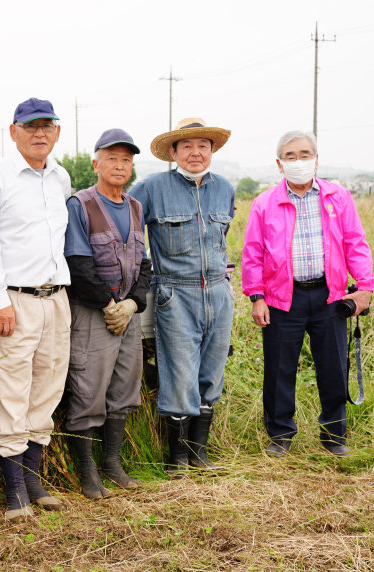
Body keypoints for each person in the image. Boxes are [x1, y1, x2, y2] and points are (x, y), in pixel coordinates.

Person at [241, 130, 374, 458]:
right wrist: (256, 296)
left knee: (332, 368)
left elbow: (355, 243)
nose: (298, 161)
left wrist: (364, 287)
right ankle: (280, 435)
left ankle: (334, 437)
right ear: (279, 164)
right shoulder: (265, 203)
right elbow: (253, 253)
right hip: (281, 300)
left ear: (316, 160)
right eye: (290, 156)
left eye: (305, 154)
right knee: (279, 369)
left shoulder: (338, 197)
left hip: (329, 298)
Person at [0, 98, 71, 522]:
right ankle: (14, 494)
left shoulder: (60, 178)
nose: (39, 133)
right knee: (9, 392)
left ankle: (33, 481)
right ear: (13, 132)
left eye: (47, 126)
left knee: (45, 390)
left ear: (57, 132)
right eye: (30, 126)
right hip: (13, 299)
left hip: (55, 299)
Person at [128, 117, 235, 475]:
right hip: (175, 293)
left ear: (212, 150)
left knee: (211, 373)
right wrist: (140, 275)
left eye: (202, 145)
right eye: (186, 146)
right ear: (173, 152)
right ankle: (176, 460)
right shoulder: (152, 187)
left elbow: (221, 239)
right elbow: (126, 229)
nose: (195, 152)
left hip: (219, 292)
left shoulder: (225, 189)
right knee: (179, 375)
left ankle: (199, 454)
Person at [63, 129, 151, 498]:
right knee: (87, 390)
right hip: (92, 313)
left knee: (124, 389)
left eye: (126, 159)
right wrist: (108, 305)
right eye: (111, 158)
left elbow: (144, 263)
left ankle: (112, 463)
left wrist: (134, 304)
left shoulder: (134, 206)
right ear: (96, 162)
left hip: (126, 314)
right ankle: (87, 473)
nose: (119, 165)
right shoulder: (80, 205)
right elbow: (78, 264)